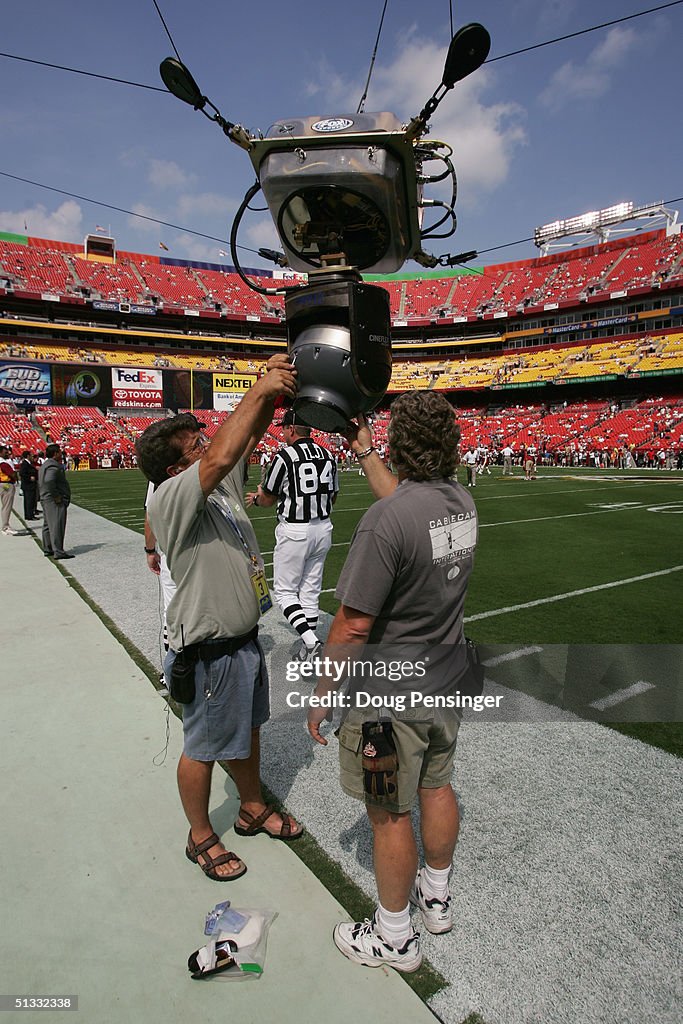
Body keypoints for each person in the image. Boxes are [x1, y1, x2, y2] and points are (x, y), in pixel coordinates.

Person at [307, 391, 478, 974]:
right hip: (446, 677)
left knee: (388, 811)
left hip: (389, 697)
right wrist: (364, 453)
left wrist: (322, 690)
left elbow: (352, 626)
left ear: (401, 445)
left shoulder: (386, 521)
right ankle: (436, 897)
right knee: (437, 785)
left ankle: (395, 937)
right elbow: (411, 513)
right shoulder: (460, 501)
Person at [137, 355, 303, 884]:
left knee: (249, 730)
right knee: (202, 747)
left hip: (244, 641)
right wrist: (258, 389)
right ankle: (199, 834)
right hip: (208, 647)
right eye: (194, 447)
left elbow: (243, 441)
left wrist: (269, 397)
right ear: (173, 469)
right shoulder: (170, 497)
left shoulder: (215, 490)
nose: (206, 447)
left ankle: (250, 806)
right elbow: (224, 453)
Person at [247, 408, 338, 659]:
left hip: (296, 530)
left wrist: (256, 498)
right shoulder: (328, 455)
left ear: (291, 429)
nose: (282, 433)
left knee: (285, 592)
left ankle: (311, 642)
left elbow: (268, 498)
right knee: (309, 592)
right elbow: (334, 494)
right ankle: (307, 650)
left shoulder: (284, 456)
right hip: (323, 527)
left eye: (284, 428)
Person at [38, 444, 73, 558]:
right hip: (53, 500)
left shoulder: (45, 465)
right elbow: (49, 481)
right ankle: (58, 551)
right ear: (55, 454)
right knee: (57, 525)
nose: (60, 454)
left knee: (48, 524)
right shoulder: (53, 466)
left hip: (45, 497)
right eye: (59, 452)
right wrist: (56, 495)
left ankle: (48, 548)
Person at [0, 445, 18, 536]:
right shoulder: (3, 463)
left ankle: (5, 526)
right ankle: (5, 527)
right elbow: (12, 474)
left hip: (2, 484)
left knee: (5, 506)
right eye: (5, 452)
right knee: (7, 506)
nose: (7, 453)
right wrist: (15, 475)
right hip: (6, 484)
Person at [19, 451, 39, 520]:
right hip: (28, 485)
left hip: (30, 485)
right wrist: (29, 477)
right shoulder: (25, 464)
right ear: (28, 456)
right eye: (31, 455)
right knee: (29, 501)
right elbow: (22, 473)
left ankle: (30, 514)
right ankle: (29, 515)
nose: (32, 457)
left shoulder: (29, 463)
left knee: (30, 500)